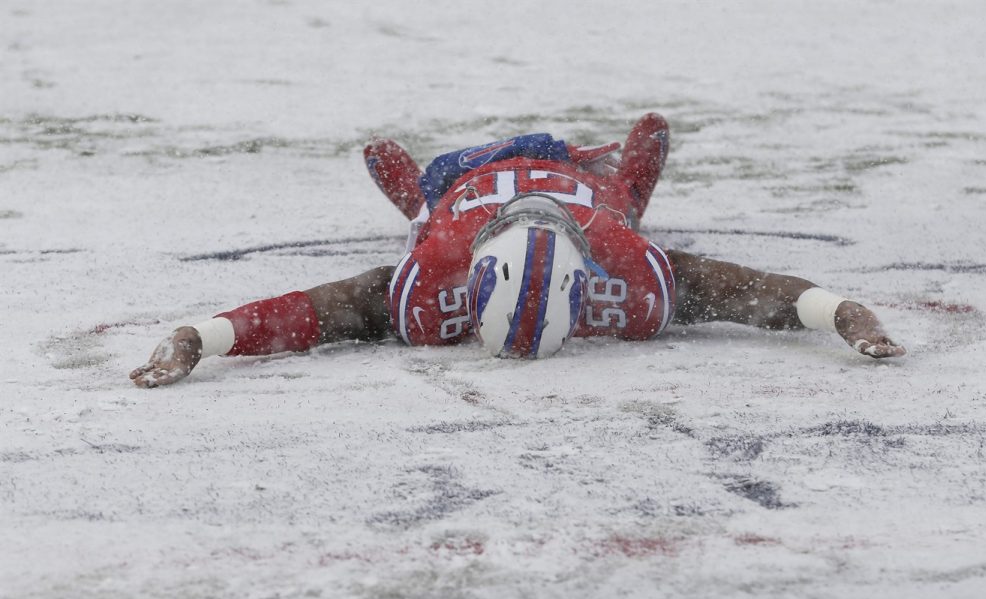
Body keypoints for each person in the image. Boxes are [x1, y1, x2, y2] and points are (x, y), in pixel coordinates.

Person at [130, 113, 905, 388]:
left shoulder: (434, 281)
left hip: (461, 191)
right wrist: (839, 312)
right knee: (621, 206)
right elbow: (750, 292)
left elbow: (318, 312)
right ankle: (633, 174)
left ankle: (416, 195)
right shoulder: (618, 272)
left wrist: (206, 335)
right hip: (583, 187)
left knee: (429, 208)